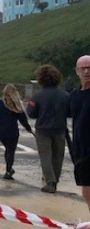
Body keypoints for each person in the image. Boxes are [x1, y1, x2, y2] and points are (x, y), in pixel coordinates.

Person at [26, 65, 69, 193]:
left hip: (43, 130)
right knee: (58, 156)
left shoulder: (38, 96)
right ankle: (56, 179)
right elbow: (71, 111)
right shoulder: (65, 95)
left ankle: (50, 182)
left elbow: (31, 113)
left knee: (45, 156)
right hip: (60, 129)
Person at [0, 84, 33, 180]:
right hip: (12, 132)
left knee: (8, 150)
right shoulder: (17, 104)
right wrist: (29, 129)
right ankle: (8, 170)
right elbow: (23, 120)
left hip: (0, 131)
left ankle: (9, 169)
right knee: (10, 151)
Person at [69, 55, 90, 213]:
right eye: (83, 68)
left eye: (89, 67)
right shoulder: (75, 95)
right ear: (77, 71)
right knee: (86, 190)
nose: (87, 71)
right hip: (81, 150)